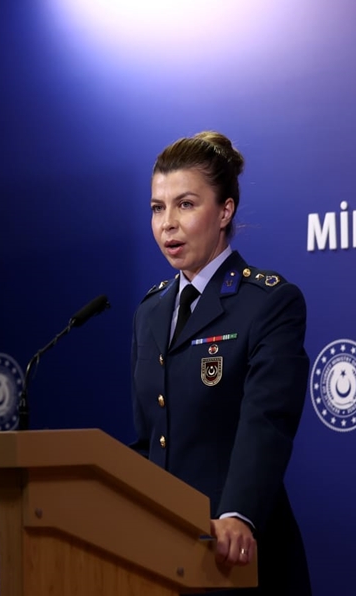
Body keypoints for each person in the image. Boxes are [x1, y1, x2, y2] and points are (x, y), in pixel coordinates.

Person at [131, 131, 310, 595]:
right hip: (162, 556)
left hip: (236, 554)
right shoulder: (150, 311)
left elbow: (266, 422)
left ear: (225, 210)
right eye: (157, 207)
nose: (167, 224)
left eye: (185, 205)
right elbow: (151, 439)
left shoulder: (268, 303)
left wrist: (237, 513)